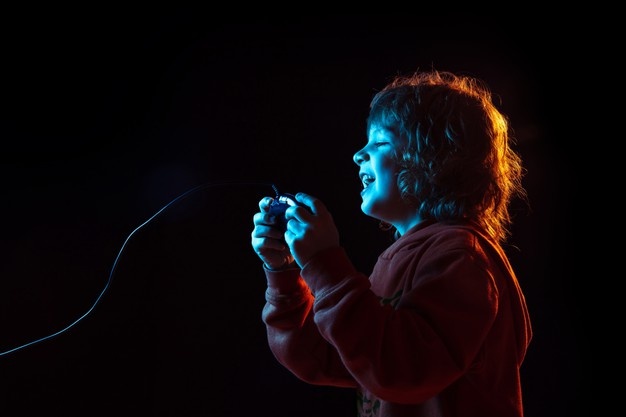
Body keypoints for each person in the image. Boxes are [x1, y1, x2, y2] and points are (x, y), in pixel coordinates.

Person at [250, 69, 532, 417]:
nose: (358, 155)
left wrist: (324, 263)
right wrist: (285, 273)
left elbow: (402, 369)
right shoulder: (401, 258)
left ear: (432, 161)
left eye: (379, 144)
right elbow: (324, 357)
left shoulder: (462, 256)